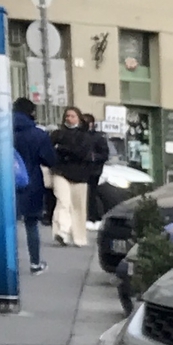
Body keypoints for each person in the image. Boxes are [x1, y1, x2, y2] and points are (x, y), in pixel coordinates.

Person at [49, 107, 108, 250]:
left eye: (72, 116)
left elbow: (82, 152)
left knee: (78, 207)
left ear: (79, 118)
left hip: (80, 175)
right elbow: (50, 151)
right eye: (67, 116)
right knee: (63, 202)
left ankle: (79, 237)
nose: (69, 118)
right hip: (60, 172)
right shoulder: (57, 134)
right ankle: (62, 232)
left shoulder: (86, 136)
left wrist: (62, 150)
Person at [10, 96, 57, 274]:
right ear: (32, 112)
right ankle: (35, 263)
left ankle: (7, 263)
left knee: (8, 223)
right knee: (31, 224)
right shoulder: (38, 134)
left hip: (5, 182)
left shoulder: (1, 131)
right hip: (31, 182)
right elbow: (50, 159)